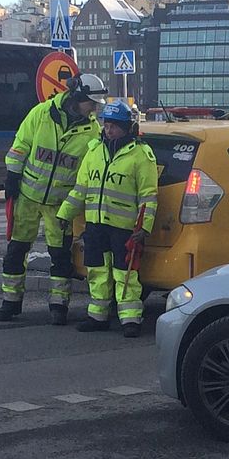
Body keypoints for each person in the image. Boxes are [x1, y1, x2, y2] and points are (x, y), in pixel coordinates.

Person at [0, 73, 106, 325]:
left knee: (60, 257)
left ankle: (59, 305)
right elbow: (20, 146)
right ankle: (10, 303)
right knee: (16, 251)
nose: (95, 108)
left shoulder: (92, 132)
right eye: (92, 102)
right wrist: (12, 175)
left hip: (60, 205)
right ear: (77, 97)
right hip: (27, 197)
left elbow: (88, 171)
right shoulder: (41, 114)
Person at [56, 102, 158, 337]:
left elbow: (148, 197)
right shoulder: (94, 151)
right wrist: (65, 214)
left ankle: (130, 319)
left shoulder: (141, 155)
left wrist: (144, 228)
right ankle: (98, 316)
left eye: (114, 126)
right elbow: (81, 189)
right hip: (96, 225)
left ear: (126, 128)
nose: (108, 130)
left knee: (125, 274)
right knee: (97, 271)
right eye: (106, 125)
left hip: (124, 228)